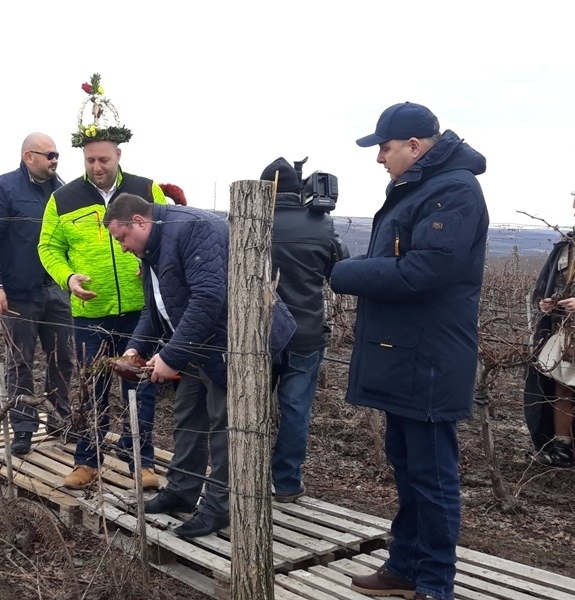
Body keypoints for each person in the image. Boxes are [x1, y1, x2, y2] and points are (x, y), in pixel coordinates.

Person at [329, 102, 488, 600]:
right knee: (406, 462)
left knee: (432, 475)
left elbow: (423, 271)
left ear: (415, 147)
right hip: (407, 353)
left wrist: (342, 272)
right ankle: (405, 566)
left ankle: (435, 585)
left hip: (431, 359)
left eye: (385, 147)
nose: (380, 158)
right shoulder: (420, 189)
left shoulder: (454, 191)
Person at [104, 193, 297, 538]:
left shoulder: (193, 228)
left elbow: (208, 299)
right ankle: (182, 490)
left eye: (121, 238)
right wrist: (135, 348)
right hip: (199, 345)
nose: (121, 247)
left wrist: (170, 357)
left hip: (238, 345)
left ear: (139, 222)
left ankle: (218, 508)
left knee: (225, 427)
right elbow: (156, 309)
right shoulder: (152, 247)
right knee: (187, 416)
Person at [37, 74, 163, 491]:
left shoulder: (148, 190)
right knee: (92, 386)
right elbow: (48, 248)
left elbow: (166, 238)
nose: (97, 167)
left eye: (104, 160)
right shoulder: (64, 198)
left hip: (140, 312)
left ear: (118, 154)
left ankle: (139, 462)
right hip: (89, 312)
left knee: (141, 387)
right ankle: (87, 461)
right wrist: (68, 276)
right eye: (90, 160)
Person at [0, 132, 75, 456]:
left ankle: (60, 418)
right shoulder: (3, 189)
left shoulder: (63, 192)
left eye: (57, 155)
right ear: (28, 156)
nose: (55, 160)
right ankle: (23, 428)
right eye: (49, 155)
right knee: (21, 361)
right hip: (18, 293)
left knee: (62, 357)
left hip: (56, 291)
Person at [259, 157, 349, 503]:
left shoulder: (247, 221)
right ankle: (286, 483)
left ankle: (244, 473)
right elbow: (338, 270)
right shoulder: (321, 224)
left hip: (257, 334)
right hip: (305, 334)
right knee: (295, 410)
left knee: (246, 405)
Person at [524, 192, 575, 468]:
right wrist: (548, 302)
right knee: (561, 388)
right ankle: (562, 447)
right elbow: (551, 284)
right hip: (565, 331)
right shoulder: (566, 246)